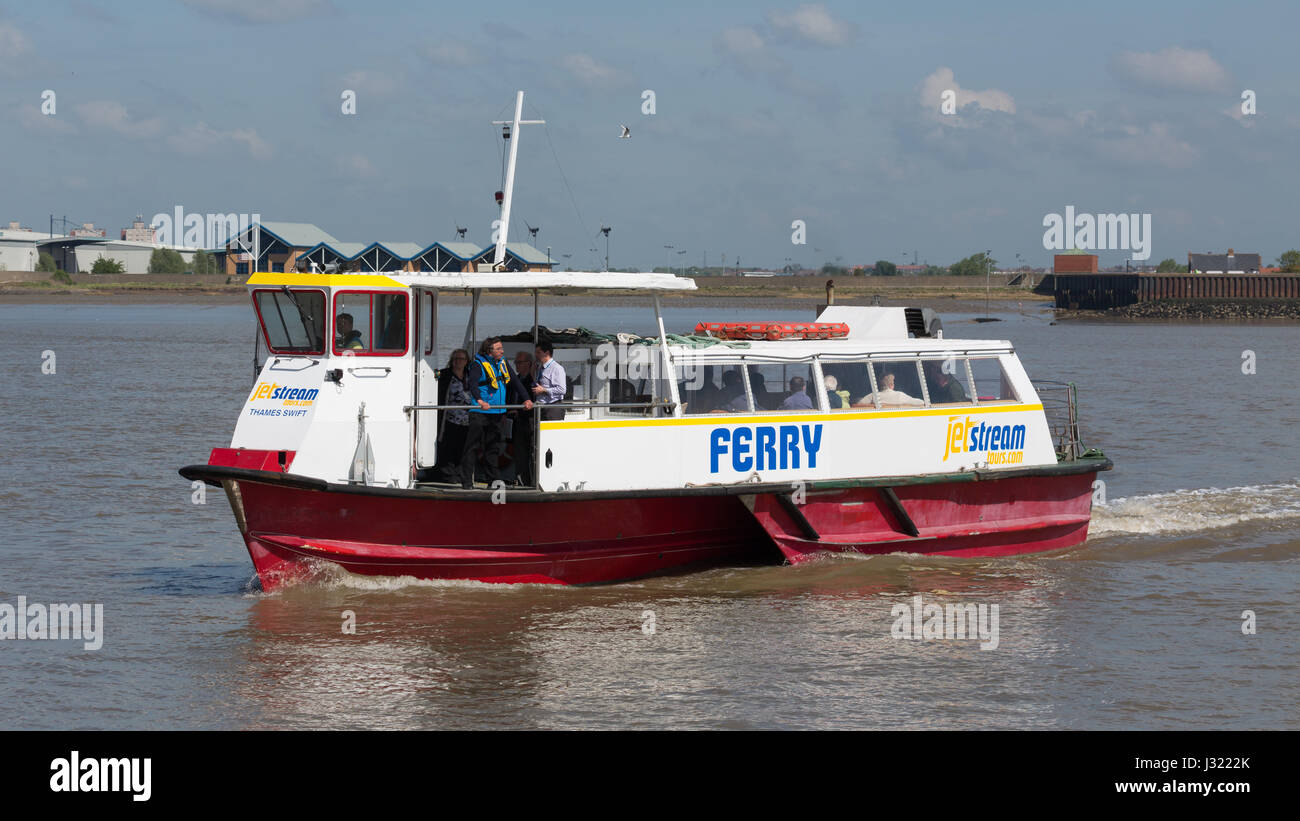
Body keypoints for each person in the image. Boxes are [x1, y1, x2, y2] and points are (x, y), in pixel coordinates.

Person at [461, 337, 532, 489]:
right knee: (472, 447)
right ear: (489, 351)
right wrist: (480, 401)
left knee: (492, 448)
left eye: (502, 348)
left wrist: (526, 399)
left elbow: (515, 382)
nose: (502, 351)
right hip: (480, 412)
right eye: (498, 348)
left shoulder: (503, 363)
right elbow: (473, 385)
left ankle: (492, 481)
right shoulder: (477, 365)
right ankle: (466, 482)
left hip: (497, 412)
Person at [429, 349, 471, 481]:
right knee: (448, 446)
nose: (458, 361)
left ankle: (459, 473)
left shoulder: (470, 375)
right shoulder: (445, 374)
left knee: (462, 447)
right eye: (456, 358)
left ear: (466, 361)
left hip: (466, 419)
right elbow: (432, 380)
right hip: (449, 418)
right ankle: (447, 474)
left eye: (462, 359)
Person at [511, 351, 537, 485]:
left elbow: (534, 401)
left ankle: (533, 482)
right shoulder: (514, 380)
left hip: (529, 421)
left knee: (532, 453)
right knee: (520, 454)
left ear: (529, 364)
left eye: (520, 362)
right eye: (516, 362)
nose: (517, 365)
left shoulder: (533, 381)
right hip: (516, 423)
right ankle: (522, 482)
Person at [532, 341, 568, 421]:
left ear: (547, 353)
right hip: (541, 407)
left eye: (538, 352)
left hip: (553, 408)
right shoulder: (540, 368)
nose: (536, 355)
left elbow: (562, 390)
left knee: (552, 433)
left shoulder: (556, 368)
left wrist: (544, 390)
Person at [854, 371, 923, 407]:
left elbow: (858, 404)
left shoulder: (873, 396)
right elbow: (921, 402)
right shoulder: (900, 395)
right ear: (892, 384)